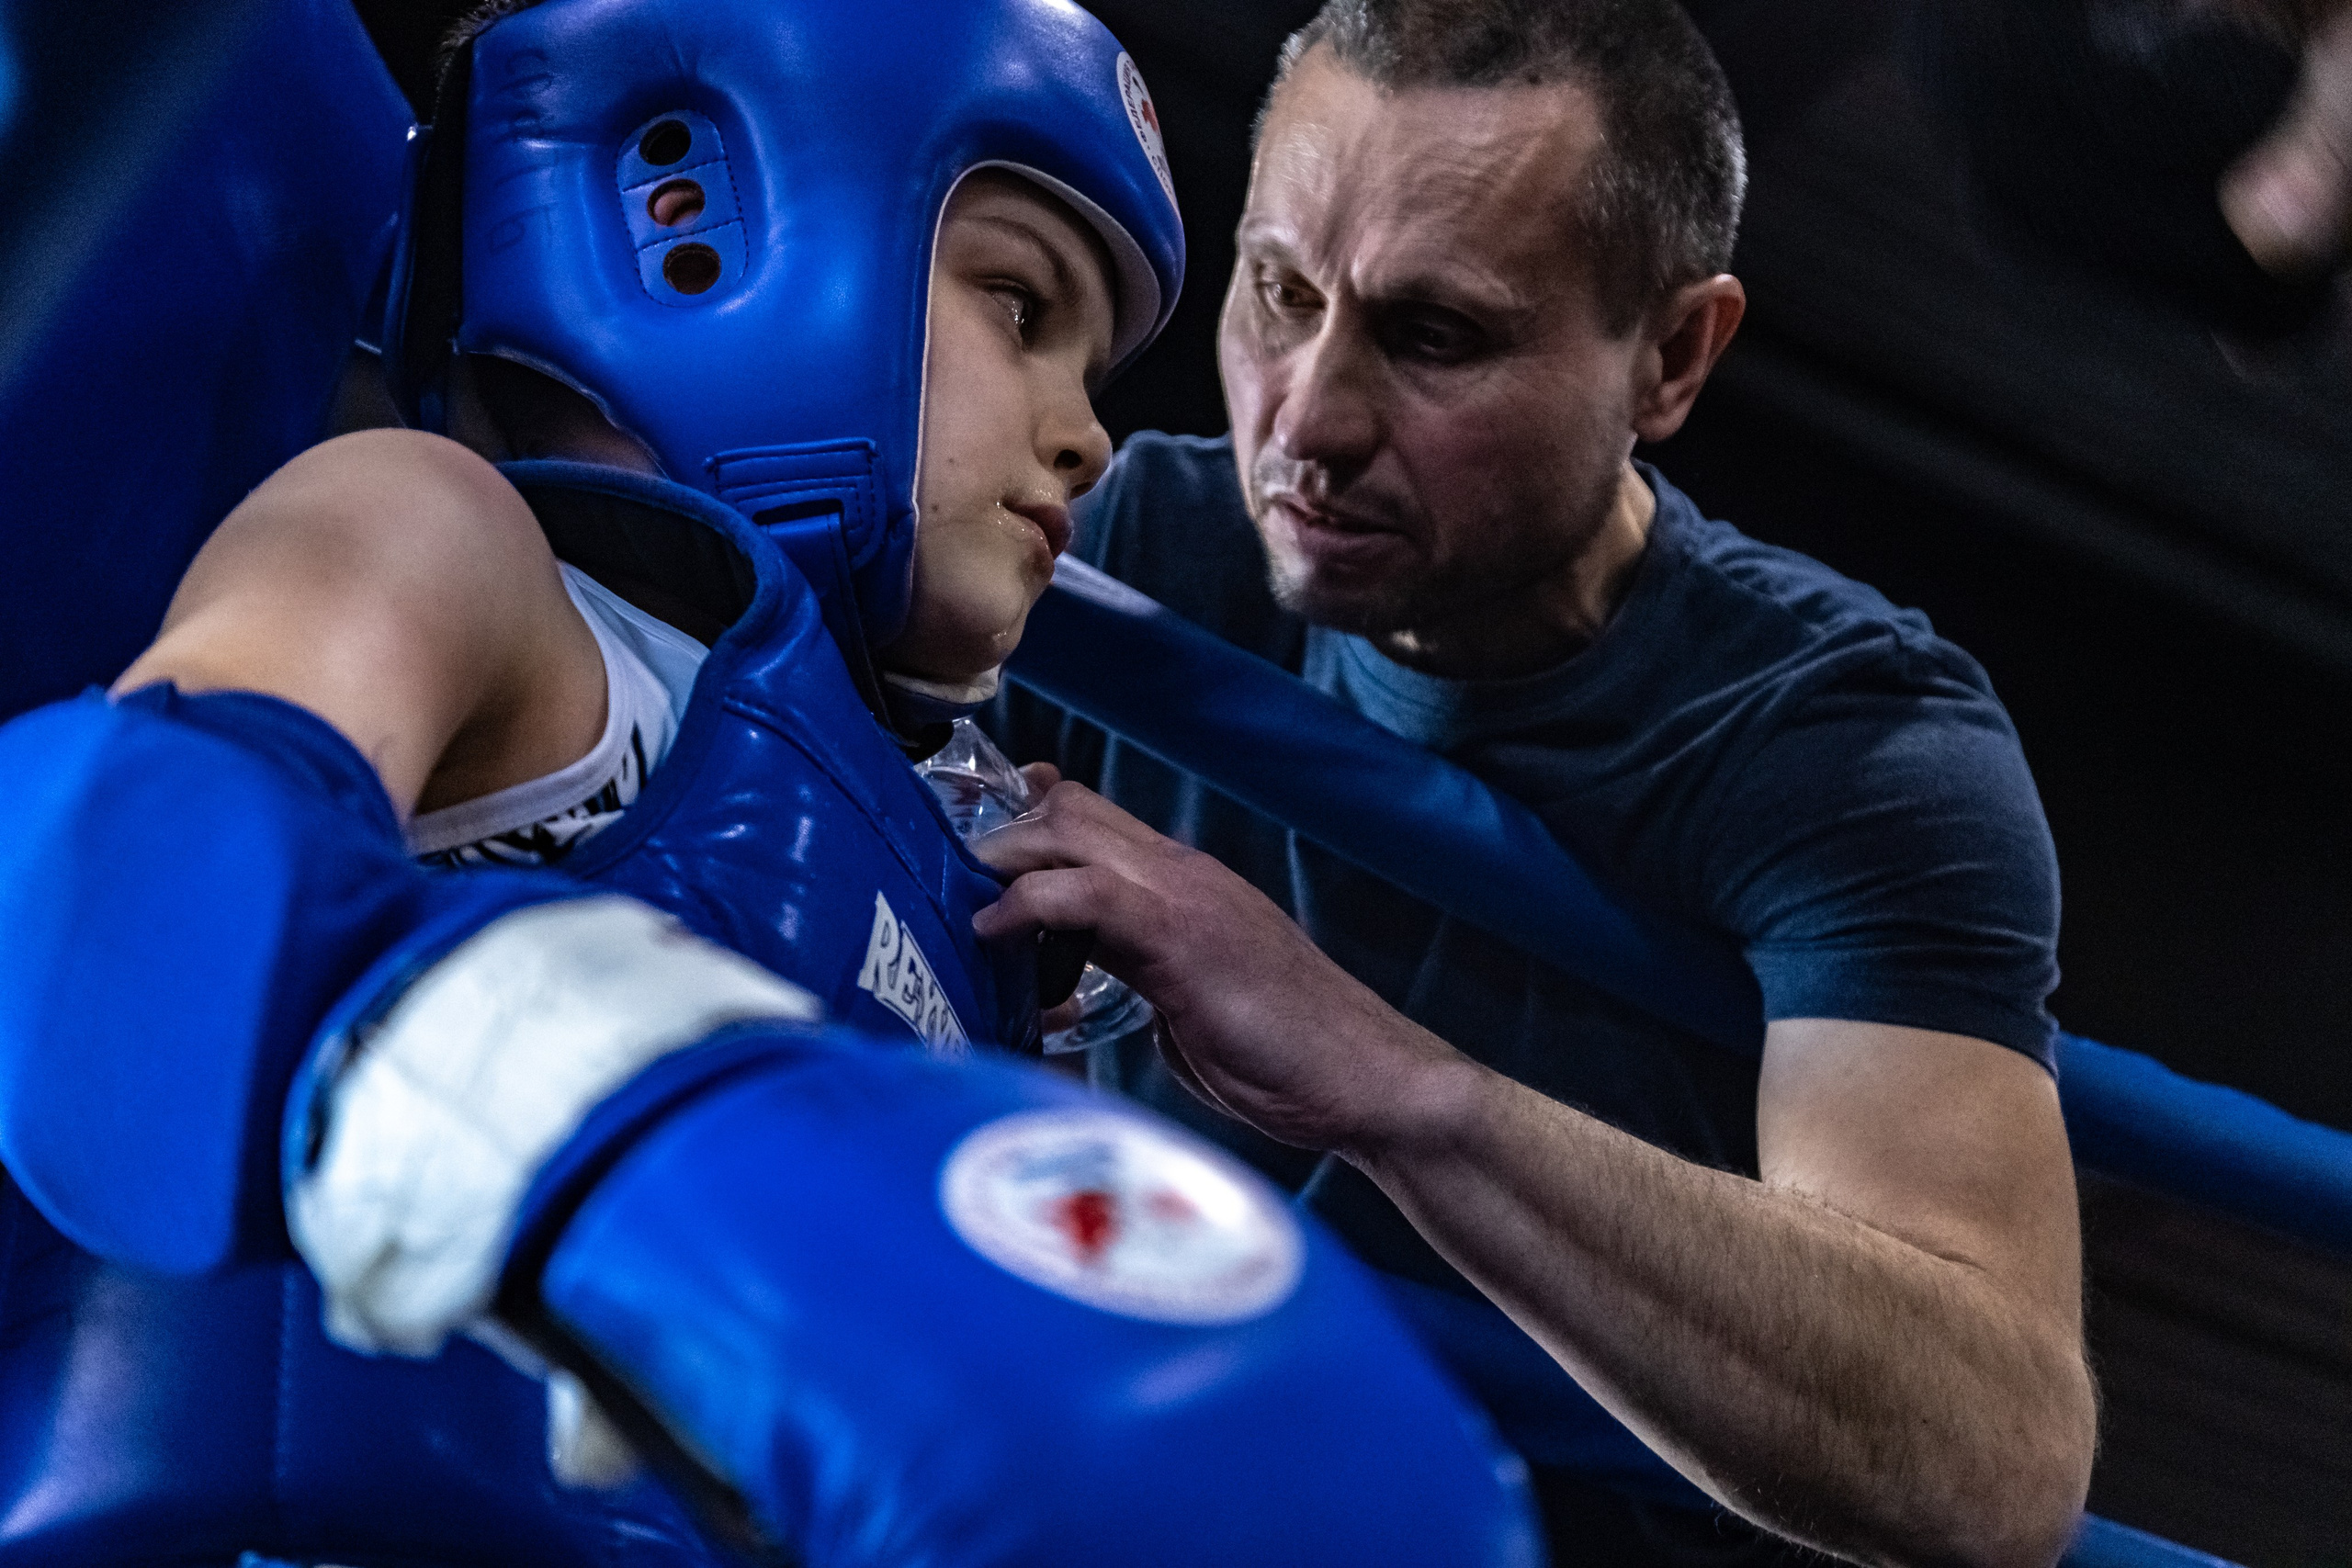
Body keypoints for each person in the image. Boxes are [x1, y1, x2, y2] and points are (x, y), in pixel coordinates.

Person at [0, 0, 1533, 1562]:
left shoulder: (964, 893)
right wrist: (586, 1115)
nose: (1086, 437)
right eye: (1020, 303)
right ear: (688, 218)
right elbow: (113, 882)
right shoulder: (453, 552)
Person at [978, 2, 2099, 1565]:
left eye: (1435, 336)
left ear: (1674, 358)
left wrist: (1390, 1085)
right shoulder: (1119, 562)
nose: (1306, 420)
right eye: (1280, 291)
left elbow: (1990, 1458)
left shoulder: (1839, 738)